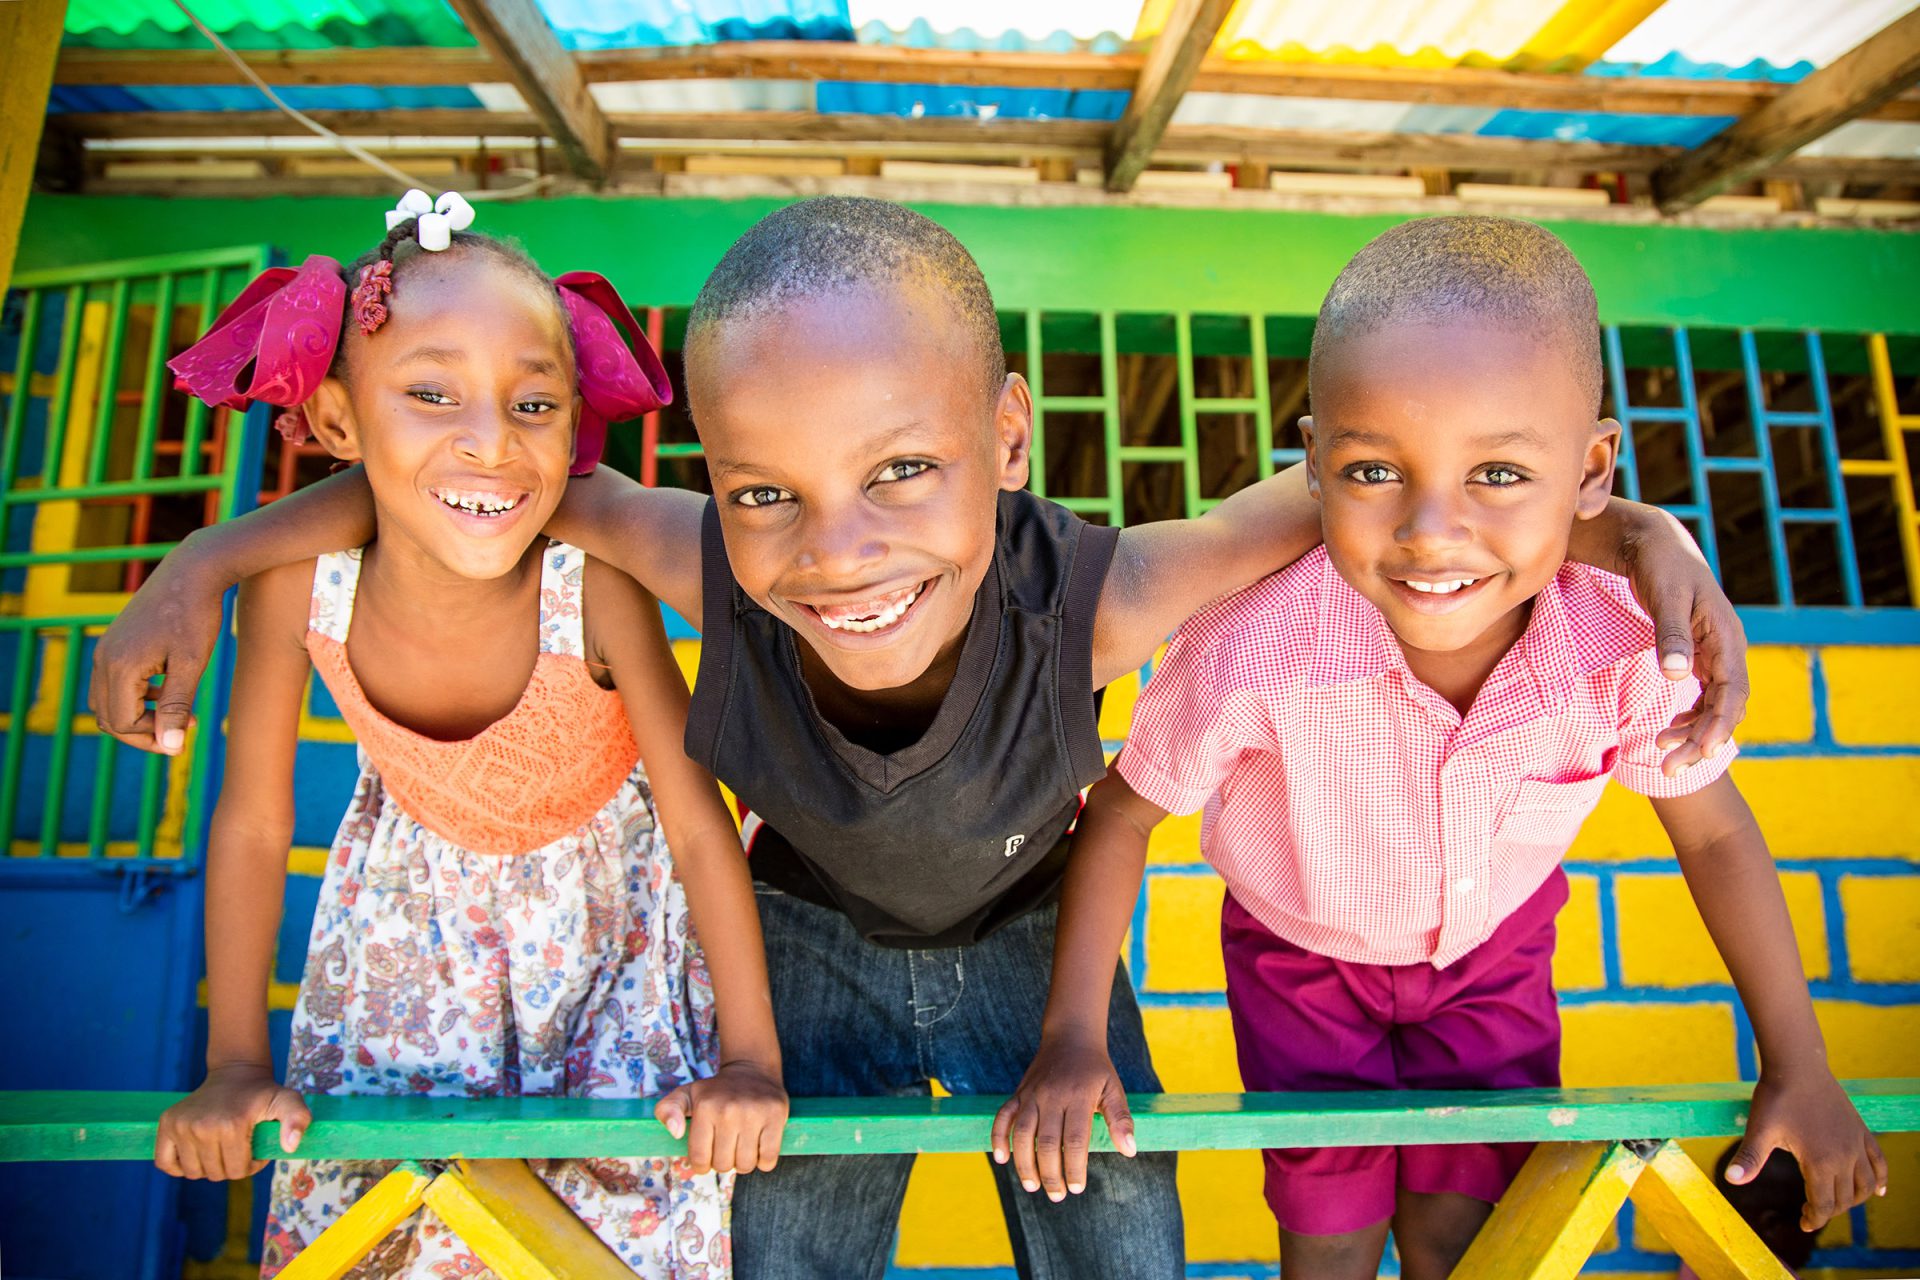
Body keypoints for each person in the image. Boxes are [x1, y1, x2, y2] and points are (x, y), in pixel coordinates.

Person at [101, 199, 1747, 1280]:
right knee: (793, 1248)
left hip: (1042, 945)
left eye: (904, 473)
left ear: (1007, 437)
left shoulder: (1097, 596)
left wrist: (1630, 532)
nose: (838, 549)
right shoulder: (695, 565)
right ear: (718, 483)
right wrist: (205, 556)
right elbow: (483, 489)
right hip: (804, 935)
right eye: (766, 492)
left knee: (1121, 1245)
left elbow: (1381, 490)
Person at [998, 215, 1885, 1280]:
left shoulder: (1620, 638)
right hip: (1299, 965)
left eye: (1500, 474)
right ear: (1315, 463)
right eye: (1375, 471)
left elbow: (1715, 834)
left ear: (1595, 467)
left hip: (1495, 963)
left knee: (1464, 1244)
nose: (1431, 529)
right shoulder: (1254, 646)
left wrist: (1799, 1058)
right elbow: (1125, 814)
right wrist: (1074, 1035)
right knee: (1325, 1245)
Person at [148, 202, 786, 1276]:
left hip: (609, 965)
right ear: (340, 420)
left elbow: (694, 823)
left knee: (610, 1236)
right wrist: (234, 1061)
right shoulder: (296, 585)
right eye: (430, 392)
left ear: (573, 422)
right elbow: (254, 820)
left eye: (533, 401)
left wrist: (750, 1058)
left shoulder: (596, 589)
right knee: (384, 1232)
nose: (491, 438)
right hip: (402, 959)